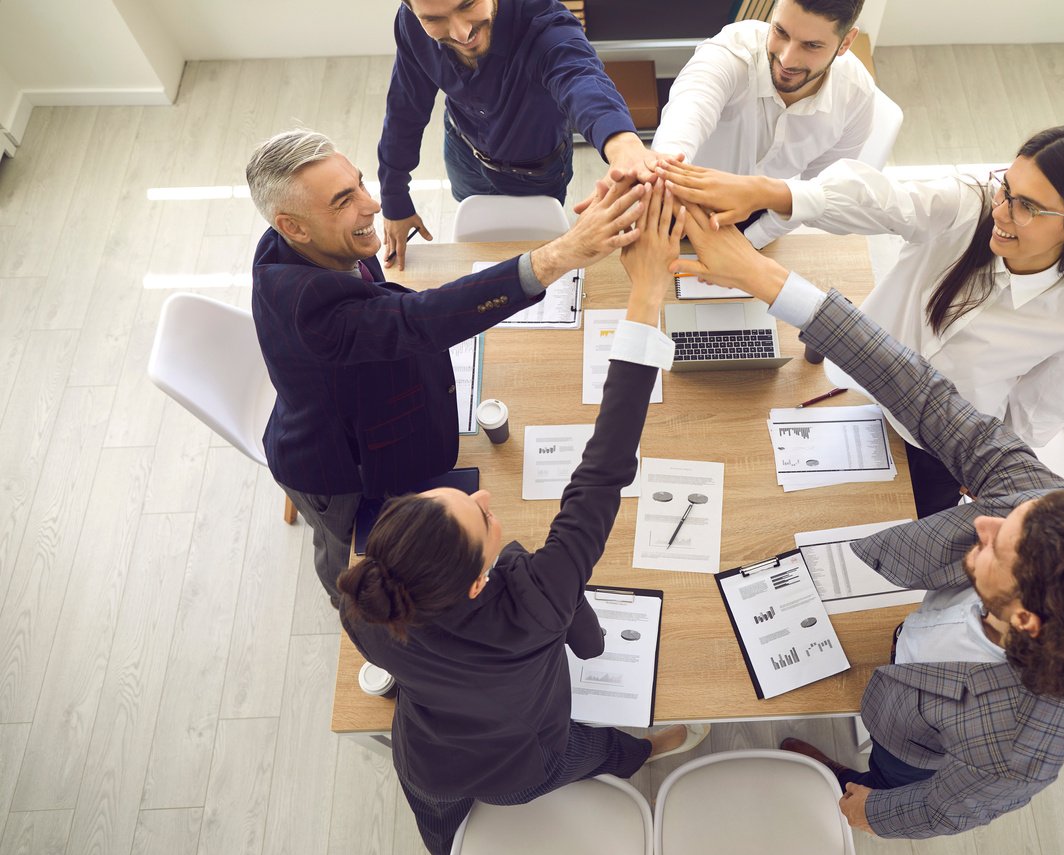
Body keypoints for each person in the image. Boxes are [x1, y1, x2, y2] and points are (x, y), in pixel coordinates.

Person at [670, 200, 1064, 840]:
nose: (982, 522)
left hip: (910, 740)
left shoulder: (1015, 748)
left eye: (1001, 545)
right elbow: (924, 392)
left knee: (890, 768)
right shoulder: (1033, 498)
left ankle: (859, 778)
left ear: (1025, 617)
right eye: (1009, 515)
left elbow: (948, 807)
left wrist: (879, 813)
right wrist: (772, 283)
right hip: (900, 636)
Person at [339, 183, 707, 855]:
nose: (482, 498)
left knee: (441, 829)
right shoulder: (537, 598)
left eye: (454, 497)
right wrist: (646, 293)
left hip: (430, 765)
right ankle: (641, 750)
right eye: (479, 515)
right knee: (586, 748)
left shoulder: (363, 602)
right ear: (478, 582)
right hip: (522, 762)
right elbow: (602, 469)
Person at [247, 128, 647, 606]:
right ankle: (347, 607)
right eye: (342, 201)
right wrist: (561, 253)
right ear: (291, 226)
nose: (371, 205)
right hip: (338, 473)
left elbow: (384, 315)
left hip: (365, 413)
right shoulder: (307, 303)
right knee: (350, 560)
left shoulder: (301, 244)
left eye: (359, 183)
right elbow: (412, 321)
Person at [660, 124, 1064, 516]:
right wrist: (775, 192)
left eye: (1028, 206)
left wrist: (988, 468)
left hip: (944, 441)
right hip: (861, 379)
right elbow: (882, 199)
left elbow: (1038, 407)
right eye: (1007, 187)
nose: (1002, 211)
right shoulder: (972, 204)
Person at [377, 0, 668, 268]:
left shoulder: (541, 20)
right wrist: (394, 199)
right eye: (435, 19)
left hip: (534, 172)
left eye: (468, 4)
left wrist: (623, 144)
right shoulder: (410, 22)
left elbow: (580, 77)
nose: (461, 32)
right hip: (463, 153)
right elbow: (405, 108)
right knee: (482, 239)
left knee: (537, 253)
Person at [652, 0, 892, 249]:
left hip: (766, 218)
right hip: (678, 201)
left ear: (845, 42)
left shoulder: (856, 97)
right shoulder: (728, 55)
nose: (787, 60)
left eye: (811, 46)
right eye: (781, 32)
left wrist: (751, 242)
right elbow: (678, 130)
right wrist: (666, 191)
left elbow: (817, 193)